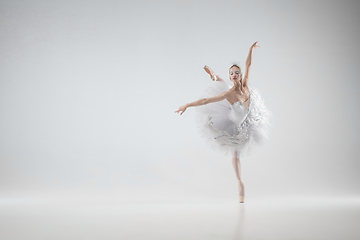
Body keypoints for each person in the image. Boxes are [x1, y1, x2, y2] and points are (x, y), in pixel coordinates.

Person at [175, 41, 271, 203]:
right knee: (235, 152)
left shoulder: (246, 85)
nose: (234, 75)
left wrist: (250, 50)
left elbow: (248, 65)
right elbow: (206, 100)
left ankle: (215, 77)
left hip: (247, 120)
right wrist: (187, 105)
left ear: (240, 75)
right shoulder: (230, 93)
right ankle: (240, 183)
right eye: (231, 73)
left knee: (223, 87)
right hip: (232, 121)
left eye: (236, 72)